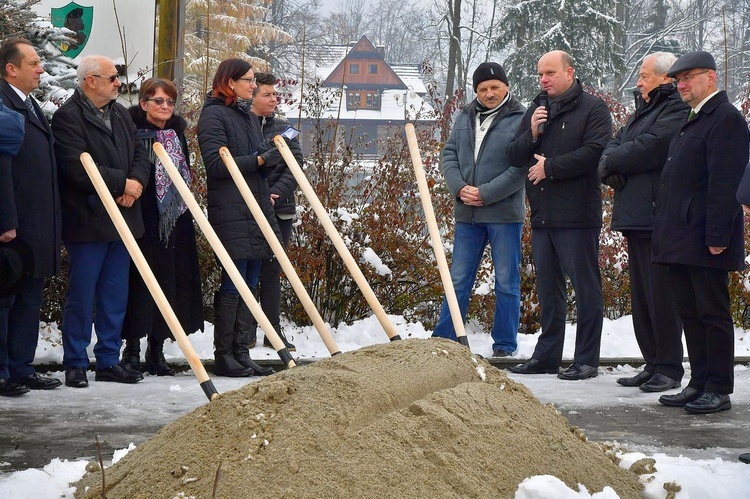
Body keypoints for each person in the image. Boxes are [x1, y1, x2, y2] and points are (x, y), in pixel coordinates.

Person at [653, 51, 749, 414]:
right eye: (678, 80)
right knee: (690, 314)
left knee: (712, 313)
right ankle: (698, 382)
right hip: (680, 236)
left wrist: (718, 236)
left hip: (706, 238)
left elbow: (726, 184)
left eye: (688, 78)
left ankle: (719, 387)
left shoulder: (725, 118)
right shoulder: (692, 119)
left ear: (710, 77)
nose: (681, 85)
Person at [507, 50, 612, 380]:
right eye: (540, 74)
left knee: (585, 289)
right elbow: (512, 154)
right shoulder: (537, 109)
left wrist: (549, 167)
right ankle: (547, 357)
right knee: (548, 291)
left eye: (550, 73)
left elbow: (595, 154)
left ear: (570, 72)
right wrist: (532, 134)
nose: (544, 80)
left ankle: (586, 360)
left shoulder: (593, 108)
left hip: (578, 216)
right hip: (542, 215)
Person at [52, 55, 150, 387]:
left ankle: (108, 359)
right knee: (82, 294)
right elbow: (74, 167)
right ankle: (76, 362)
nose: (118, 83)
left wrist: (133, 185)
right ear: (90, 81)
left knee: (114, 293)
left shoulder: (121, 114)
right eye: (111, 78)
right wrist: (120, 183)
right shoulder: (68, 118)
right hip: (89, 221)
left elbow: (141, 152)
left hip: (123, 216)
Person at [598, 52, 688, 392]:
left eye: (645, 76)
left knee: (662, 296)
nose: (639, 82)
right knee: (643, 297)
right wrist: (609, 164)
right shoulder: (643, 111)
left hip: (659, 217)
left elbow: (651, 148)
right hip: (636, 217)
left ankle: (669, 367)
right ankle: (652, 362)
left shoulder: (676, 109)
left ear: (666, 79)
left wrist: (610, 161)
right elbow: (613, 144)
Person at [430, 62, 526, 357]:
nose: (489, 93)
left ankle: (505, 345)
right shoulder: (464, 116)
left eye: (495, 87)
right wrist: (458, 187)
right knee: (457, 279)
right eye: (483, 88)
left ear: (506, 87)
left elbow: (521, 167)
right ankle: (443, 341)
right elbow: (448, 154)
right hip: (467, 215)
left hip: (504, 215)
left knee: (507, 282)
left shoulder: (522, 119)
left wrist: (485, 194)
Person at [198, 58, 281, 377]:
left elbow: (253, 160)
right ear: (229, 82)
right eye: (247, 80)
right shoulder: (213, 115)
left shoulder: (246, 116)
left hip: (256, 210)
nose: (253, 85)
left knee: (251, 280)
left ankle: (242, 351)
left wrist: (268, 159)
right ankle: (224, 354)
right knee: (234, 283)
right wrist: (259, 158)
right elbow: (218, 166)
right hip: (232, 210)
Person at [119, 78, 204, 376]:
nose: (165, 107)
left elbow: (184, 174)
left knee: (169, 283)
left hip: (173, 220)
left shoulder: (176, 133)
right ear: (144, 104)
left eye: (169, 102)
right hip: (143, 217)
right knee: (138, 281)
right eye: (158, 101)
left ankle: (157, 349)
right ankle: (130, 349)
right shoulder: (132, 131)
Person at [0, 38, 62, 395]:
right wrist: (5, 221)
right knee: (5, 300)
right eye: (33, 63)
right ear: (11, 68)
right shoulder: (3, 105)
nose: (41, 69)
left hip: (37, 224)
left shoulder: (29, 104)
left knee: (28, 299)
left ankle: (21, 367)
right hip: (14, 226)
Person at [249, 72, 299, 352]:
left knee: (272, 270)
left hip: (280, 211)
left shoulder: (285, 128)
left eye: (274, 94)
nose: (273, 99)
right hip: (248, 208)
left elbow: (296, 165)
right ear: (252, 96)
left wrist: (275, 194)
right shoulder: (242, 126)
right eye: (267, 94)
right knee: (247, 271)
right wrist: (259, 194)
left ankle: (273, 331)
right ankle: (246, 331)